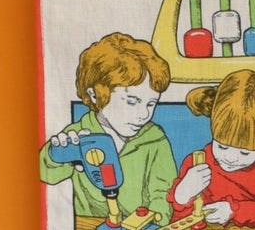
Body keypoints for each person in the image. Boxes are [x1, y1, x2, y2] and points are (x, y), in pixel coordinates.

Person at [39, 32, 176, 218]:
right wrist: (55, 154)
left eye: (151, 104)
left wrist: (155, 218)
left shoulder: (155, 139)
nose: (144, 114)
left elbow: (163, 192)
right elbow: (46, 174)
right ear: (95, 95)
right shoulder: (78, 136)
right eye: (132, 101)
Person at [169, 69, 255, 227]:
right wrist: (182, 194)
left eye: (244, 152)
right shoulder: (196, 163)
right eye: (222, 147)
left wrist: (234, 210)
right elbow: (178, 223)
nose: (231, 158)